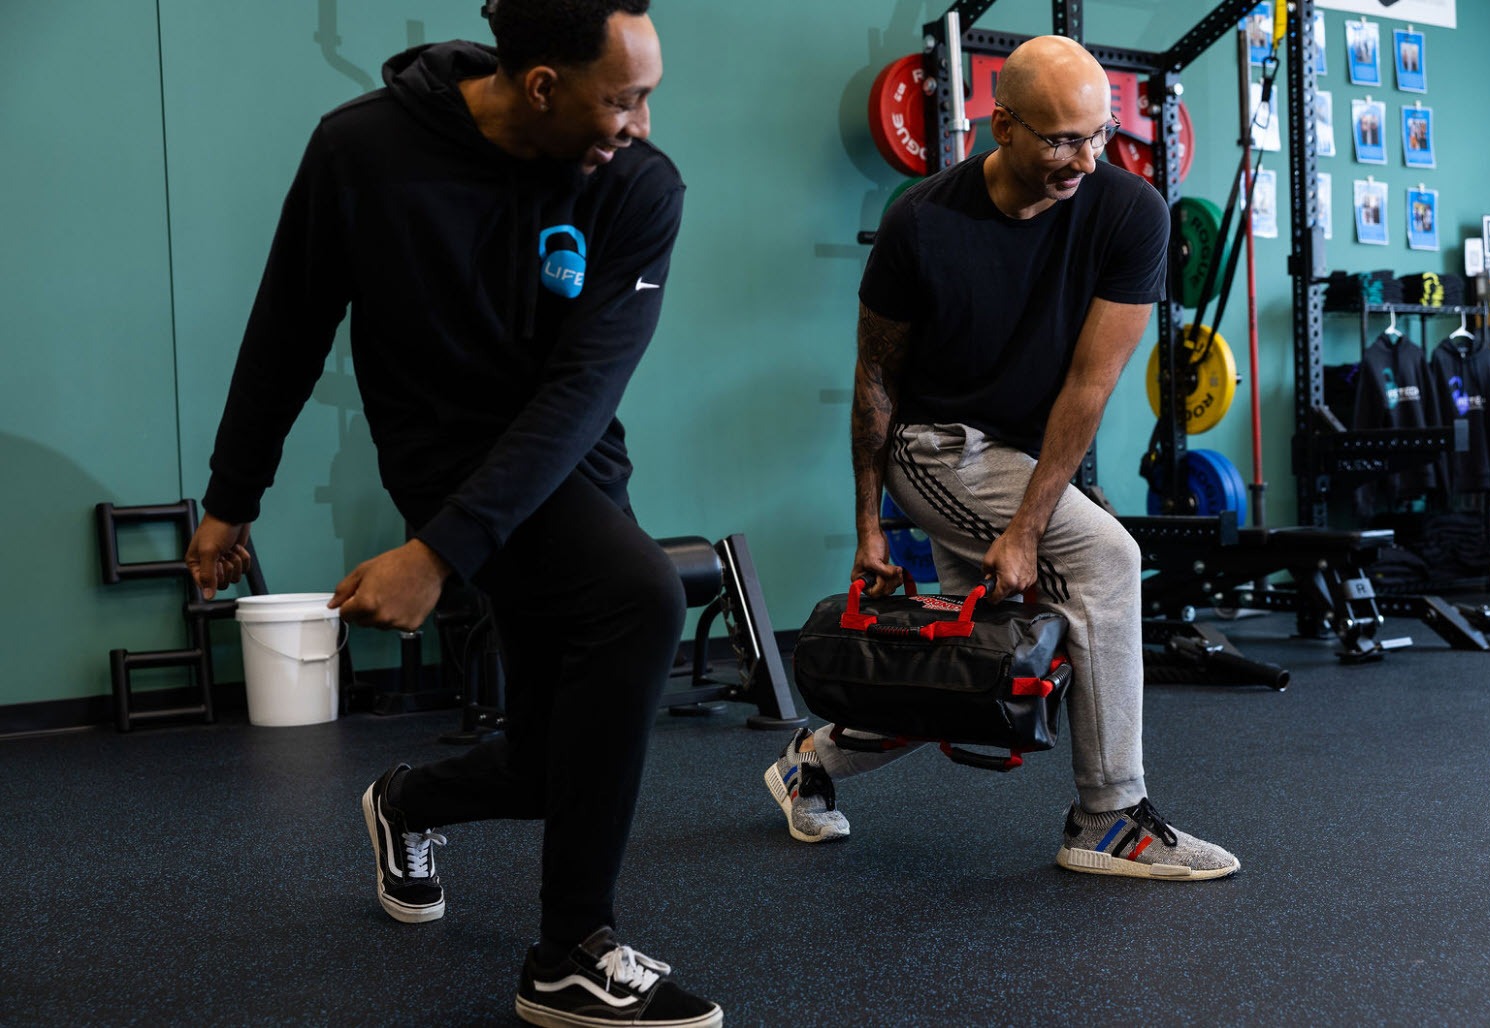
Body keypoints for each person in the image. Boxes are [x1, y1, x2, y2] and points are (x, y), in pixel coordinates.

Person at [183, 2, 721, 1025]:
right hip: (438, 456)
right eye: (625, 98)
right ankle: (572, 949)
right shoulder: (364, 149)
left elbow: (582, 390)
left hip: (570, 454)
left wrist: (436, 557)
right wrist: (231, 498)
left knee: (549, 757)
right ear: (542, 86)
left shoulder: (640, 187)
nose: (643, 124)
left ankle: (408, 799)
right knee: (639, 595)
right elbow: (288, 323)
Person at [764, 35, 1239, 882]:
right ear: (1001, 125)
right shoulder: (923, 221)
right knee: (1107, 558)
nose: (1084, 161)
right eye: (1061, 139)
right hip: (933, 446)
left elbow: (1089, 387)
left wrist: (1025, 525)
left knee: (967, 659)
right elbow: (876, 379)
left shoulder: (1131, 213)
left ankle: (813, 763)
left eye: (1098, 137)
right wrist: (868, 528)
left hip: (1024, 455)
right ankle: (1108, 817)